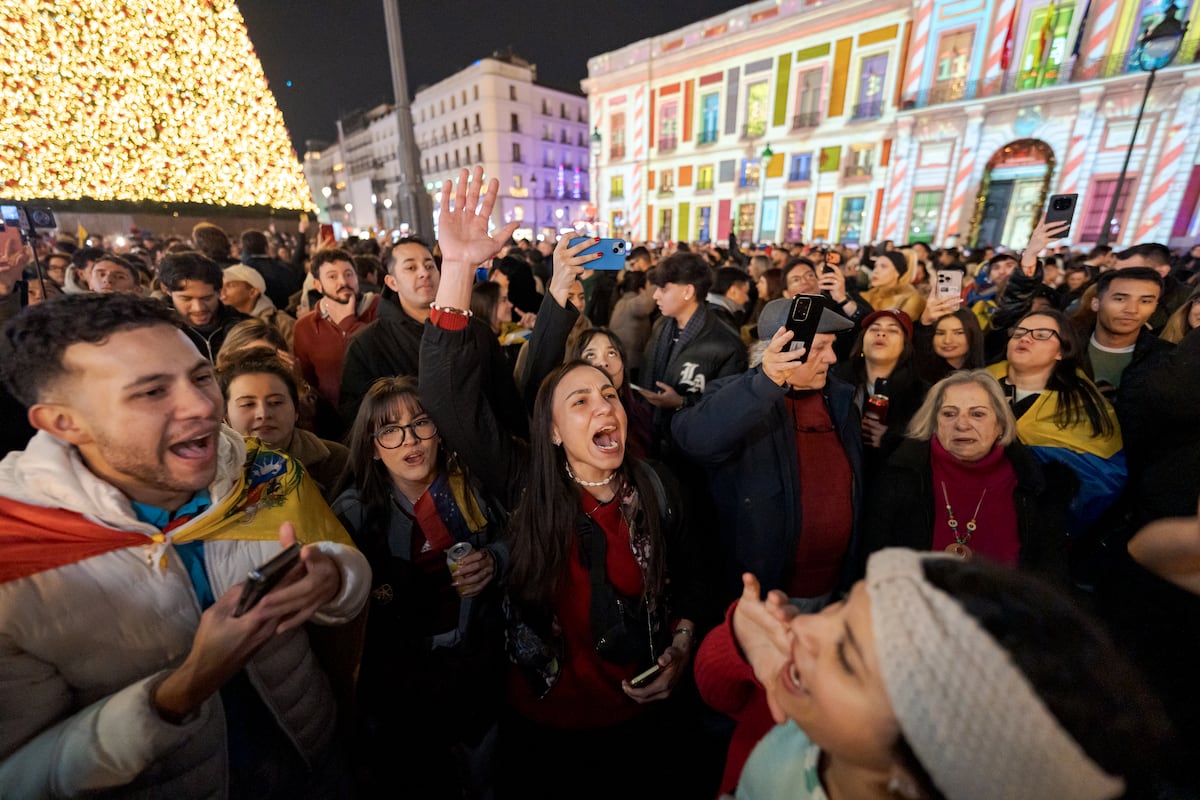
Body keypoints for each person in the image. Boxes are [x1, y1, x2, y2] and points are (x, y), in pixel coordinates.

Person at [0, 292, 370, 796]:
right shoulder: (15, 555)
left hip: (312, 756)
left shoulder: (263, 472)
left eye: (199, 377)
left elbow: (341, 574)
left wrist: (334, 576)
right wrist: (184, 688)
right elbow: (20, 779)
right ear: (64, 422)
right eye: (152, 392)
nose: (202, 405)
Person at [419, 167, 712, 799]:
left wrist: (684, 644)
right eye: (578, 401)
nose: (603, 405)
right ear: (550, 432)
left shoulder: (656, 489)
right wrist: (458, 269)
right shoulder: (527, 483)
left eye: (609, 394)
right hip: (544, 729)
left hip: (642, 725)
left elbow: (691, 578)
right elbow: (445, 394)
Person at [696, 549, 1170, 800]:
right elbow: (717, 686)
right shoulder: (799, 706)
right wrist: (748, 638)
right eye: (842, 606)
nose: (806, 624)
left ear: (917, 774)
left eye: (846, 659)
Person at [332, 376, 507, 799]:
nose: (410, 439)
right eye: (390, 430)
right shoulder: (354, 515)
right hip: (401, 684)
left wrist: (496, 559)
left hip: (478, 664)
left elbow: (517, 538)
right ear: (373, 447)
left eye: (422, 423)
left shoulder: (472, 490)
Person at [672, 296, 862, 609]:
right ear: (783, 346)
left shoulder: (840, 401)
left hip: (832, 592)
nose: (830, 357)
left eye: (831, 346)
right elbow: (694, 439)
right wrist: (765, 384)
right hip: (765, 597)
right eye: (818, 348)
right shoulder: (741, 395)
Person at [859, 370, 1073, 584]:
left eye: (977, 414)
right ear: (934, 423)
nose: (962, 424)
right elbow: (872, 567)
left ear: (1000, 424)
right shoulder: (898, 476)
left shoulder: (1037, 487)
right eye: (949, 414)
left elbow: (1049, 583)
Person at [985, 309, 1125, 537]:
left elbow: (1101, 475)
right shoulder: (979, 382)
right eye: (1020, 332)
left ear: (1061, 350)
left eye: (1041, 334)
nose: (1025, 338)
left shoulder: (1082, 402)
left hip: (1034, 529)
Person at [640, 250, 748, 459]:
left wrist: (681, 402)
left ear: (688, 291)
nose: (655, 295)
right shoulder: (662, 325)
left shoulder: (726, 342)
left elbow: (727, 407)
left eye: (663, 288)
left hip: (694, 450)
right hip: (654, 437)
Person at [217, 347, 349, 501]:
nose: (263, 414)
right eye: (248, 404)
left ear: (296, 410)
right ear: (225, 416)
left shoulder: (336, 460)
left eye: (276, 402)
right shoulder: (214, 471)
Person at [837, 309, 927, 490]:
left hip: (894, 488)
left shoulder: (921, 393)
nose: (881, 333)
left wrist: (889, 439)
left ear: (905, 345)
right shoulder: (836, 383)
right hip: (843, 483)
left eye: (893, 330)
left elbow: (926, 448)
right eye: (874, 328)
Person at [292, 247, 380, 432]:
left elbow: (381, 356)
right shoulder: (305, 327)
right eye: (332, 276)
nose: (343, 282)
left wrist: (349, 325)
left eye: (349, 274)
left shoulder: (378, 309)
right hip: (333, 423)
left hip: (380, 413)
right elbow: (308, 382)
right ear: (318, 285)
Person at [157, 250, 251, 362]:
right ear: (168, 291)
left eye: (207, 298)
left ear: (219, 292)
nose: (198, 308)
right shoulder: (157, 332)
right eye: (186, 299)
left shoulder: (242, 326)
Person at [221, 264, 297, 350]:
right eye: (221, 286)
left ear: (253, 292)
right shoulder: (224, 324)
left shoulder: (281, 322)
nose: (222, 291)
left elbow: (296, 357)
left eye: (230, 285)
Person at [913, 296, 985, 384]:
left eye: (958, 333)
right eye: (940, 333)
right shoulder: (918, 375)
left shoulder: (984, 376)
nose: (947, 340)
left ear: (972, 335)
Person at [608, 270, 655, 386]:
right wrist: (656, 283)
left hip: (624, 359)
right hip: (632, 362)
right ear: (641, 289)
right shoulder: (632, 304)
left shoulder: (621, 302)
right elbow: (648, 303)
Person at [860, 250, 925, 323]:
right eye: (875, 266)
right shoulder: (867, 295)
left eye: (883, 266)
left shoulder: (910, 299)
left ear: (898, 272)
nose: (875, 271)